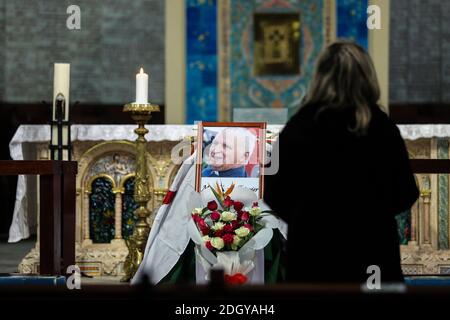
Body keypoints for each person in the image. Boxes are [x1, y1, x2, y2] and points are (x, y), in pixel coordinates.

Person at [264, 41, 419, 284]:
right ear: (366, 76)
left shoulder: (301, 124)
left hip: (312, 253)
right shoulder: (381, 127)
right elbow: (405, 192)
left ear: (320, 77)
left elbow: (273, 190)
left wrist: (308, 217)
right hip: (372, 252)